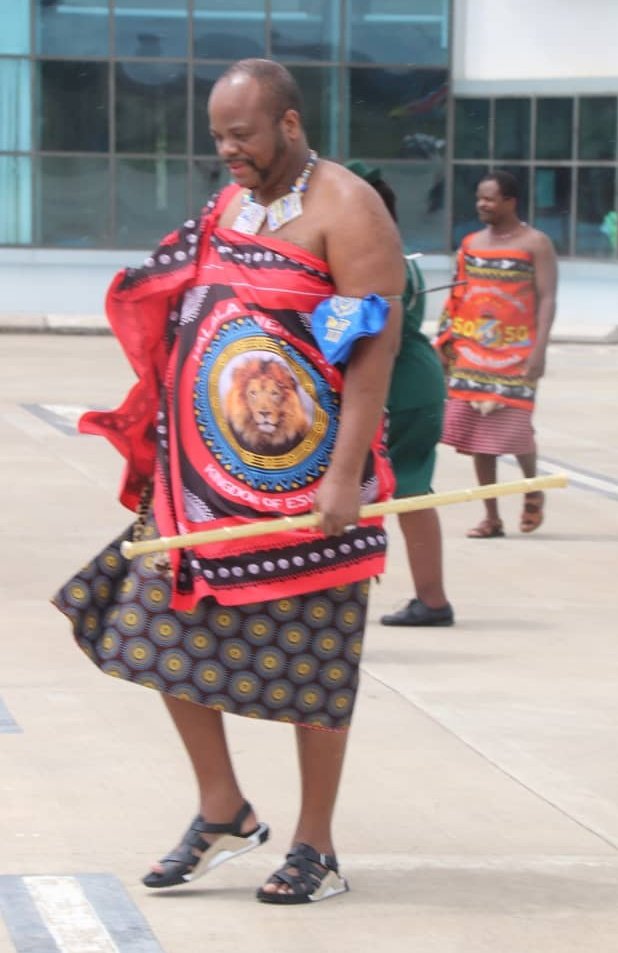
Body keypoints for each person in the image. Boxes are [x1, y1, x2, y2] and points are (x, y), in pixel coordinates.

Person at [52, 59, 404, 905]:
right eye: (217, 135)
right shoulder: (231, 204)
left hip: (311, 486)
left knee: (315, 667)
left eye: (240, 135)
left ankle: (315, 846)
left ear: (288, 124)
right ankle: (223, 809)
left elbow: (370, 352)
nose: (226, 151)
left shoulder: (349, 210)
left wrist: (347, 475)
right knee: (155, 630)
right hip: (203, 483)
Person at [345, 161, 453, 627]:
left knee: (387, 491)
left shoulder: (374, 259)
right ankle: (431, 599)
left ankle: (427, 601)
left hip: (398, 388)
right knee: (411, 491)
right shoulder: (397, 253)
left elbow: (368, 343)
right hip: (415, 382)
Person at [435, 170, 558, 538]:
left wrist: (540, 350)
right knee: (479, 440)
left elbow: (548, 297)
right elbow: (458, 295)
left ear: (510, 201)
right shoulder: (471, 243)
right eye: (479, 198)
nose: (482, 205)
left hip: (518, 354)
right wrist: (447, 342)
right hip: (472, 354)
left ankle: (531, 488)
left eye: (489, 198)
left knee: (517, 433)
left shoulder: (536, 244)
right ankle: (492, 517)